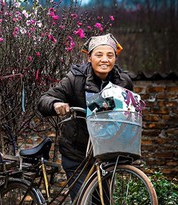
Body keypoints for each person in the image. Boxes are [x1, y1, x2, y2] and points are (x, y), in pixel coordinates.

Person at [37, 33, 133, 201]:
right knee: (83, 199)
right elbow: (44, 99)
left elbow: (131, 109)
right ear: (89, 57)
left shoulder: (123, 81)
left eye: (110, 55)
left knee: (103, 200)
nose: (105, 60)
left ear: (115, 58)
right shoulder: (75, 79)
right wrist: (55, 104)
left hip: (106, 151)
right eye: (99, 54)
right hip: (77, 152)